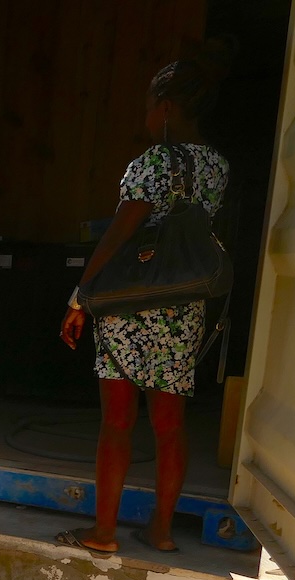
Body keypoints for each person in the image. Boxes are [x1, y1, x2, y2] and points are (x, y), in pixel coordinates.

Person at [58, 56, 231, 554]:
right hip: (184, 306)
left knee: (117, 422)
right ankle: (161, 531)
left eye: (150, 107)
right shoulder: (218, 166)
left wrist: (80, 297)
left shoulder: (153, 163)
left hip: (130, 304)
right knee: (171, 424)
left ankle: (104, 533)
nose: (148, 117)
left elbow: (119, 234)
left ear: (167, 108)